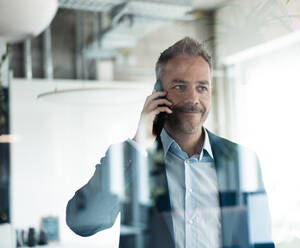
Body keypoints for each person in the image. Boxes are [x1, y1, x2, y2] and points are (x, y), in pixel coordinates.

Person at [66, 37, 275, 248]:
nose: (193, 98)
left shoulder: (241, 160)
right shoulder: (132, 158)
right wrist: (139, 144)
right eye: (180, 86)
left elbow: (261, 241)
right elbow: (82, 223)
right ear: (158, 93)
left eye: (202, 88)